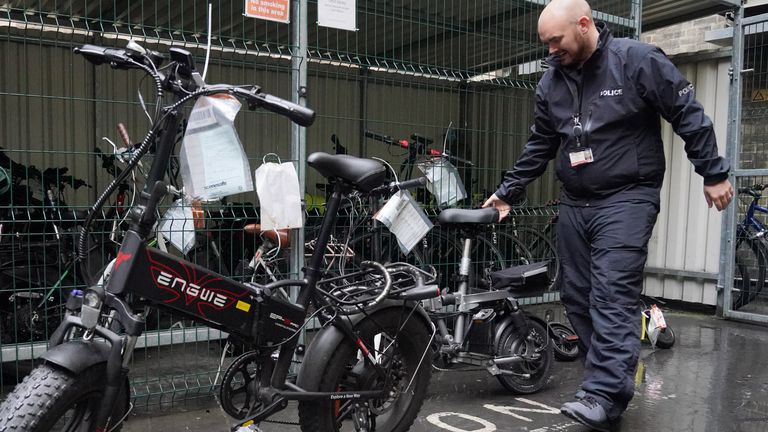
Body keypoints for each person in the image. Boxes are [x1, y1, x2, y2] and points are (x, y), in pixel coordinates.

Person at [483, 0, 733, 430]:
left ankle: (604, 394)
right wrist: (507, 193)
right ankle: (602, 381)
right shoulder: (551, 82)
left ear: (584, 25)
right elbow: (541, 145)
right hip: (576, 202)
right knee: (577, 296)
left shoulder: (636, 61)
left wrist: (713, 172)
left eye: (555, 41)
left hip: (628, 198)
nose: (550, 51)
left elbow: (687, 114)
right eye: (544, 44)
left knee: (612, 294)